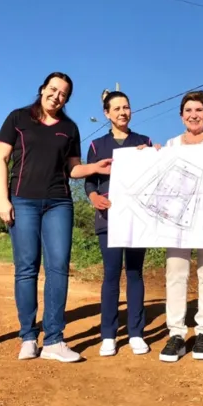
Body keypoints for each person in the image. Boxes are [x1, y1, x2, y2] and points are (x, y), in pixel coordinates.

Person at [0, 72, 112, 363]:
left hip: (59, 202)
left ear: (67, 99)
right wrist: (3, 200)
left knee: (58, 268)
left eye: (63, 94)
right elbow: (1, 160)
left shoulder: (69, 128)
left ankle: (55, 340)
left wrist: (95, 168)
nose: (56, 96)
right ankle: (28, 337)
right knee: (26, 268)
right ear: (42, 89)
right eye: (53, 89)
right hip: (22, 201)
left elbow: (73, 169)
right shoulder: (18, 119)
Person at [141, 90, 203, 362]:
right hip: (176, 221)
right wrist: (149, 156)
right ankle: (176, 334)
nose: (194, 115)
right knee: (176, 274)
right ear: (181, 116)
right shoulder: (171, 145)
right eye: (188, 111)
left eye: (199, 111)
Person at [84, 91, 153, 357]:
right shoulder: (96, 145)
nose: (122, 112)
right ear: (107, 113)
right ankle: (109, 335)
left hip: (138, 219)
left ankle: (136, 333)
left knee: (135, 273)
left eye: (126, 107)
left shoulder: (143, 142)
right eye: (116, 108)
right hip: (109, 219)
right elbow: (90, 179)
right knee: (111, 276)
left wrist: (154, 153)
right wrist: (93, 198)